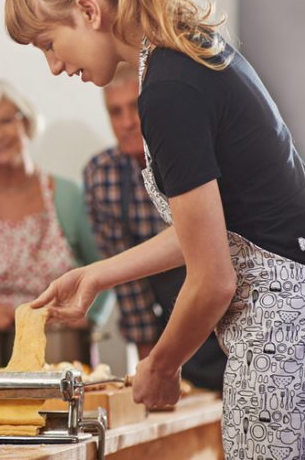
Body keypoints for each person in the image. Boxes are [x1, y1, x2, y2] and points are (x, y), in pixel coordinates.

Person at [6, 0, 305, 457]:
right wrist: (97, 274)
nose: (53, 66)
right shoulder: (184, 53)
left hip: (283, 333)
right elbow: (210, 228)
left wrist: (161, 364)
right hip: (301, 317)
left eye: (48, 43)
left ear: (89, 12)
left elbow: (213, 279)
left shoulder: (168, 89)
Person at [0, 80, 113, 364]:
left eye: (6, 120)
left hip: (64, 354)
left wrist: (88, 317)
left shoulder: (69, 197)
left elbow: (107, 270)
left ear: (26, 123)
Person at [84, 63, 226, 390]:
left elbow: (214, 254)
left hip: (235, 309)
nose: (126, 123)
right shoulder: (103, 174)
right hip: (176, 330)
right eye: (114, 112)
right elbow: (131, 289)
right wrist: (155, 367)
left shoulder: (193, 153)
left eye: (134, 108)